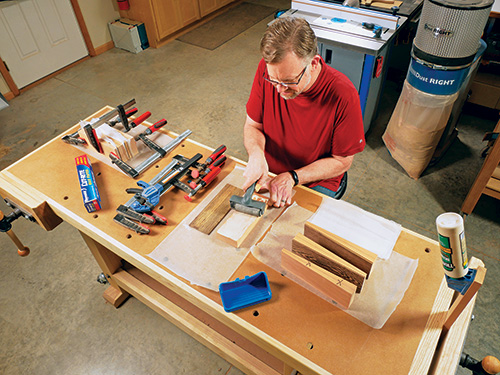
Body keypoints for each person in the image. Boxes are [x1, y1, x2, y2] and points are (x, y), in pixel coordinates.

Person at [242, 17, 366, 207]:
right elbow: (252, 126)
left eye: (289, 81)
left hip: (315, 179)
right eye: (273, 81)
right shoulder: (267, 70)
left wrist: (293, 177)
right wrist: (256, 155)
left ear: (314, 63)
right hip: (271, 171)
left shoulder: (343, 94)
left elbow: (342, 162)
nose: (280, 89)